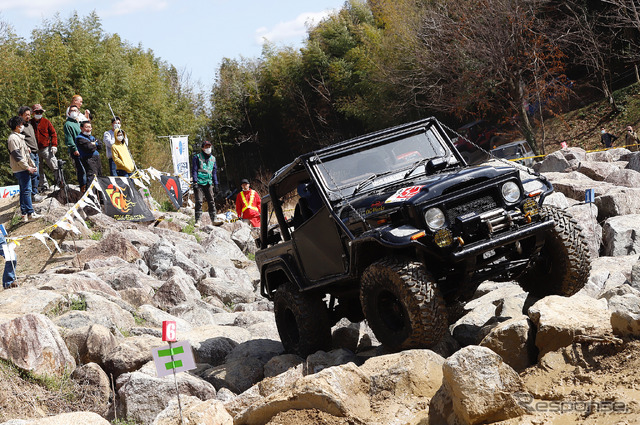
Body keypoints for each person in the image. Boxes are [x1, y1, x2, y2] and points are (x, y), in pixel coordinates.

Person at [7, 116, 39, 222]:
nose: (22, 127)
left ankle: (24, 213)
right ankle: (30, 213)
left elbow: (25, 153)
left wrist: (31, 163)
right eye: (21, 125)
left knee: (23, 190)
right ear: (17, 126)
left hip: (22, 167)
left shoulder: (19, 137)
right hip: (20, 168)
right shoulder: (13, 138)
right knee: (26, 190)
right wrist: (27, 167)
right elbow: (17, 156)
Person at [31, 103, 59, 190]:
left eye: (40, 112)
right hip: (34, 150)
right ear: (33, 113)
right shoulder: (29, 123)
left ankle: (60, 183)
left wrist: (54, 145)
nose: (39, 114)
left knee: (54, 166)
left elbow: (53, 134)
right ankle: (44, 186)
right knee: (38, 169)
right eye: (37, 112)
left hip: (46, 148)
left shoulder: (46, 122)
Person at [191, 140, 219, 226]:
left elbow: (214, 172)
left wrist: (216, 184)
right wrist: (195, 182)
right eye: (206, 147)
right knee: (199, 201)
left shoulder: (213, 159)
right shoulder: (197, 157)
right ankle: (198, 220)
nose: (208, 148)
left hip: (208, 182)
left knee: (211, 201)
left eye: (209, 146)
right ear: (203, 148)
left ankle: (214, 219)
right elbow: (194, 170)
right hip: (199, 182)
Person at [18, 106, 40, 199]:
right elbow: (19, 139)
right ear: (20, 115)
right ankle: (33, 194)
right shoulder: (20, 127)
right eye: (26, 115)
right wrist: (26, 147)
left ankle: (35, 192)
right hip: (28, 153)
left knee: (37, 173)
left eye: (29, 115)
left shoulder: (30, 124)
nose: (28, 116)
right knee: (33, 173)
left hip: (36, 152)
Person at [63, 105, 86, 191]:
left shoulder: (79, 123)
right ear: (69, 113)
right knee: (81, 170)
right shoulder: (68, 124)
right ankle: (83, 189)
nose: (74, 112)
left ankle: (87, 187)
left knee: (87, 170)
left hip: (84, 150)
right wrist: (74, 149)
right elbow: (69, 139)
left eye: (76, 110)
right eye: (72, 110)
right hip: (77, 151)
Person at [75, 121, 101, 189]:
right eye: (86, 127)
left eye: (90, 127)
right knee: (92, 176)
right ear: (81, 128)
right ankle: (90, 195)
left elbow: (100, 145)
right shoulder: (79, 138)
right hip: (88, 159)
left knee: (99, 176)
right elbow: (90, 148)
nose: (88, 129)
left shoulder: (92, 137)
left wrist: (94, 143)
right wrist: (95, 144)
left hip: (96, 158)